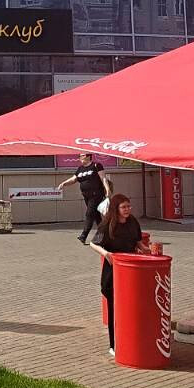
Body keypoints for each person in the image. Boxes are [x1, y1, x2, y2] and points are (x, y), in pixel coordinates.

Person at [87, 193, 143, 358]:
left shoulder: (132, 222)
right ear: (116, 208)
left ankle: (131, 340)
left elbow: (137, 240)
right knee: (114, 308)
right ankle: (114, 344)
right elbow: (93, 243)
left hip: (131, 270)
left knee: (130, 306)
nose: (127, 210)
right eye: (123, 207)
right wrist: (106, 254)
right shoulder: (107, 224)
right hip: (113, 271)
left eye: (129, 206)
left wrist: (144, 248)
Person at [59, 152, 113, 243]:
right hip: (86, 196)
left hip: (96, 194)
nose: (79, 157)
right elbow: (74, 179)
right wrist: (64, 183)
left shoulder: (96, 165)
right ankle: (104, 235)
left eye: (81, 156)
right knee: (96, 216)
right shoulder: (80, 168)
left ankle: (83, 235)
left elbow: (103, 178)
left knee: (89, 214)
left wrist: (107, 189)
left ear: (88, 156)